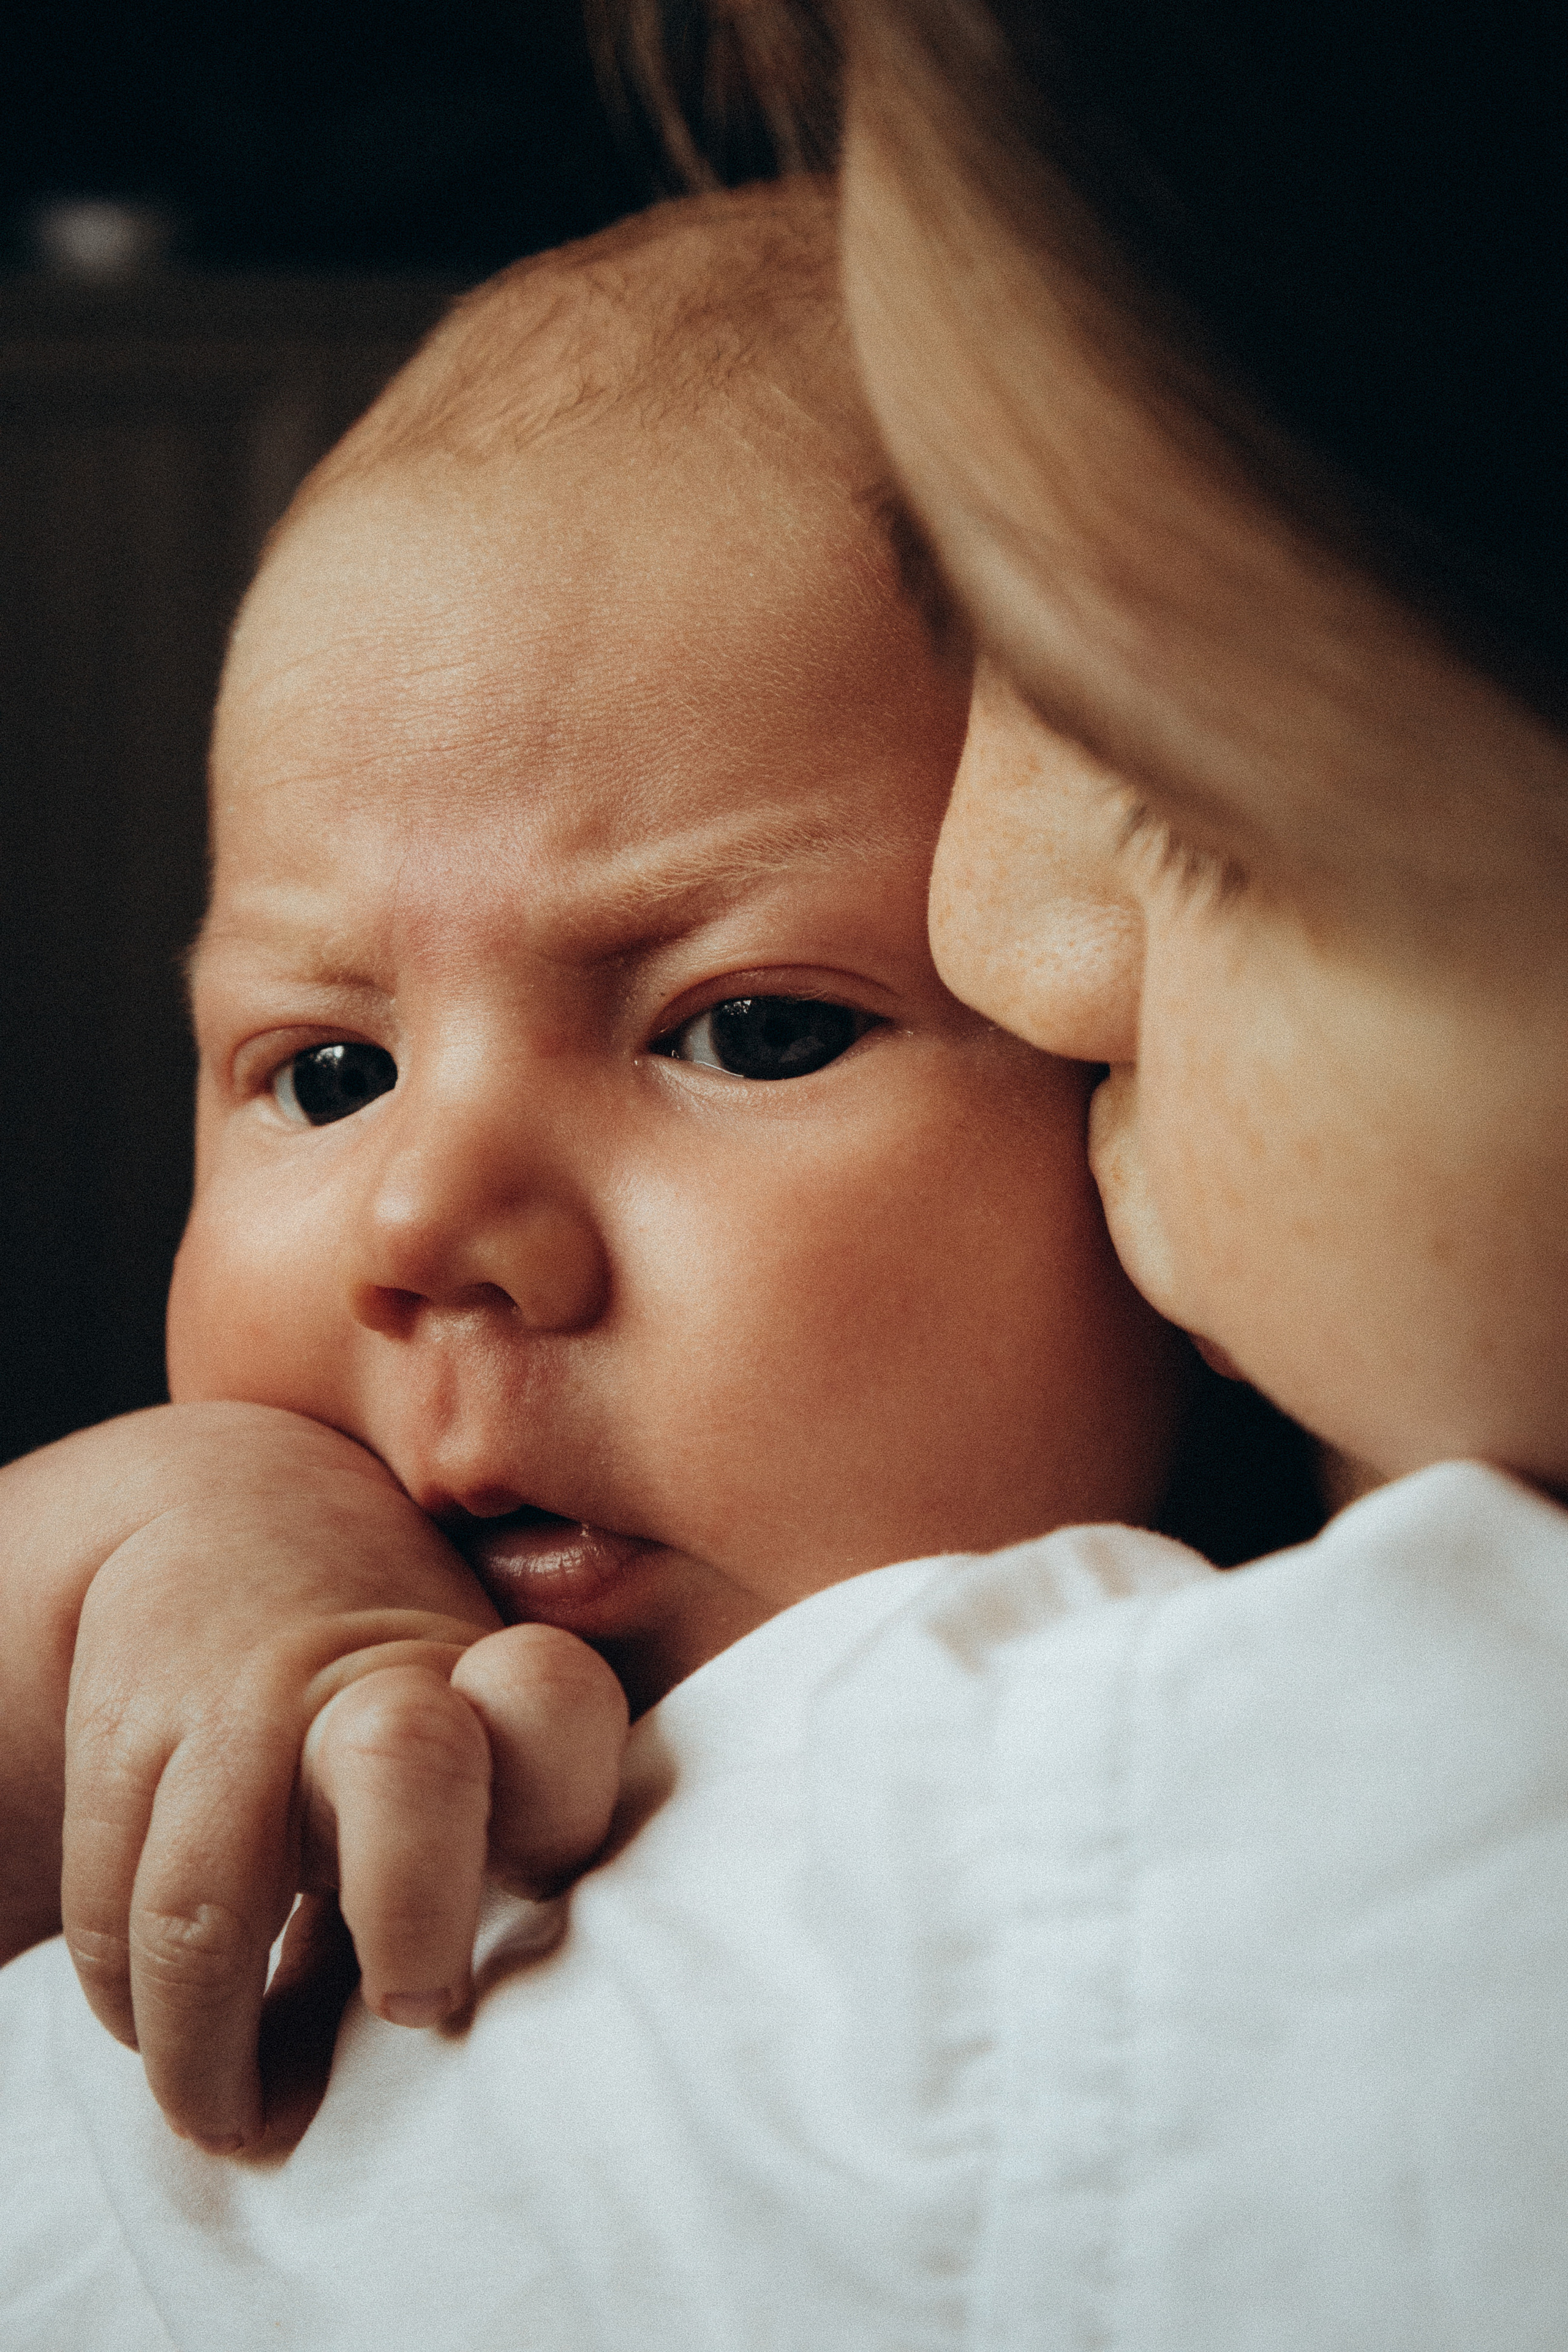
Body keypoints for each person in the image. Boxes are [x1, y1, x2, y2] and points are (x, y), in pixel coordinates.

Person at [0, 180, 1208, 2348]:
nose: (426, 1221)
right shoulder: (178, 1599)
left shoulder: (1253, 1714)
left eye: (746, 1030)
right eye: (325, 1067)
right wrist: (140, 1547)